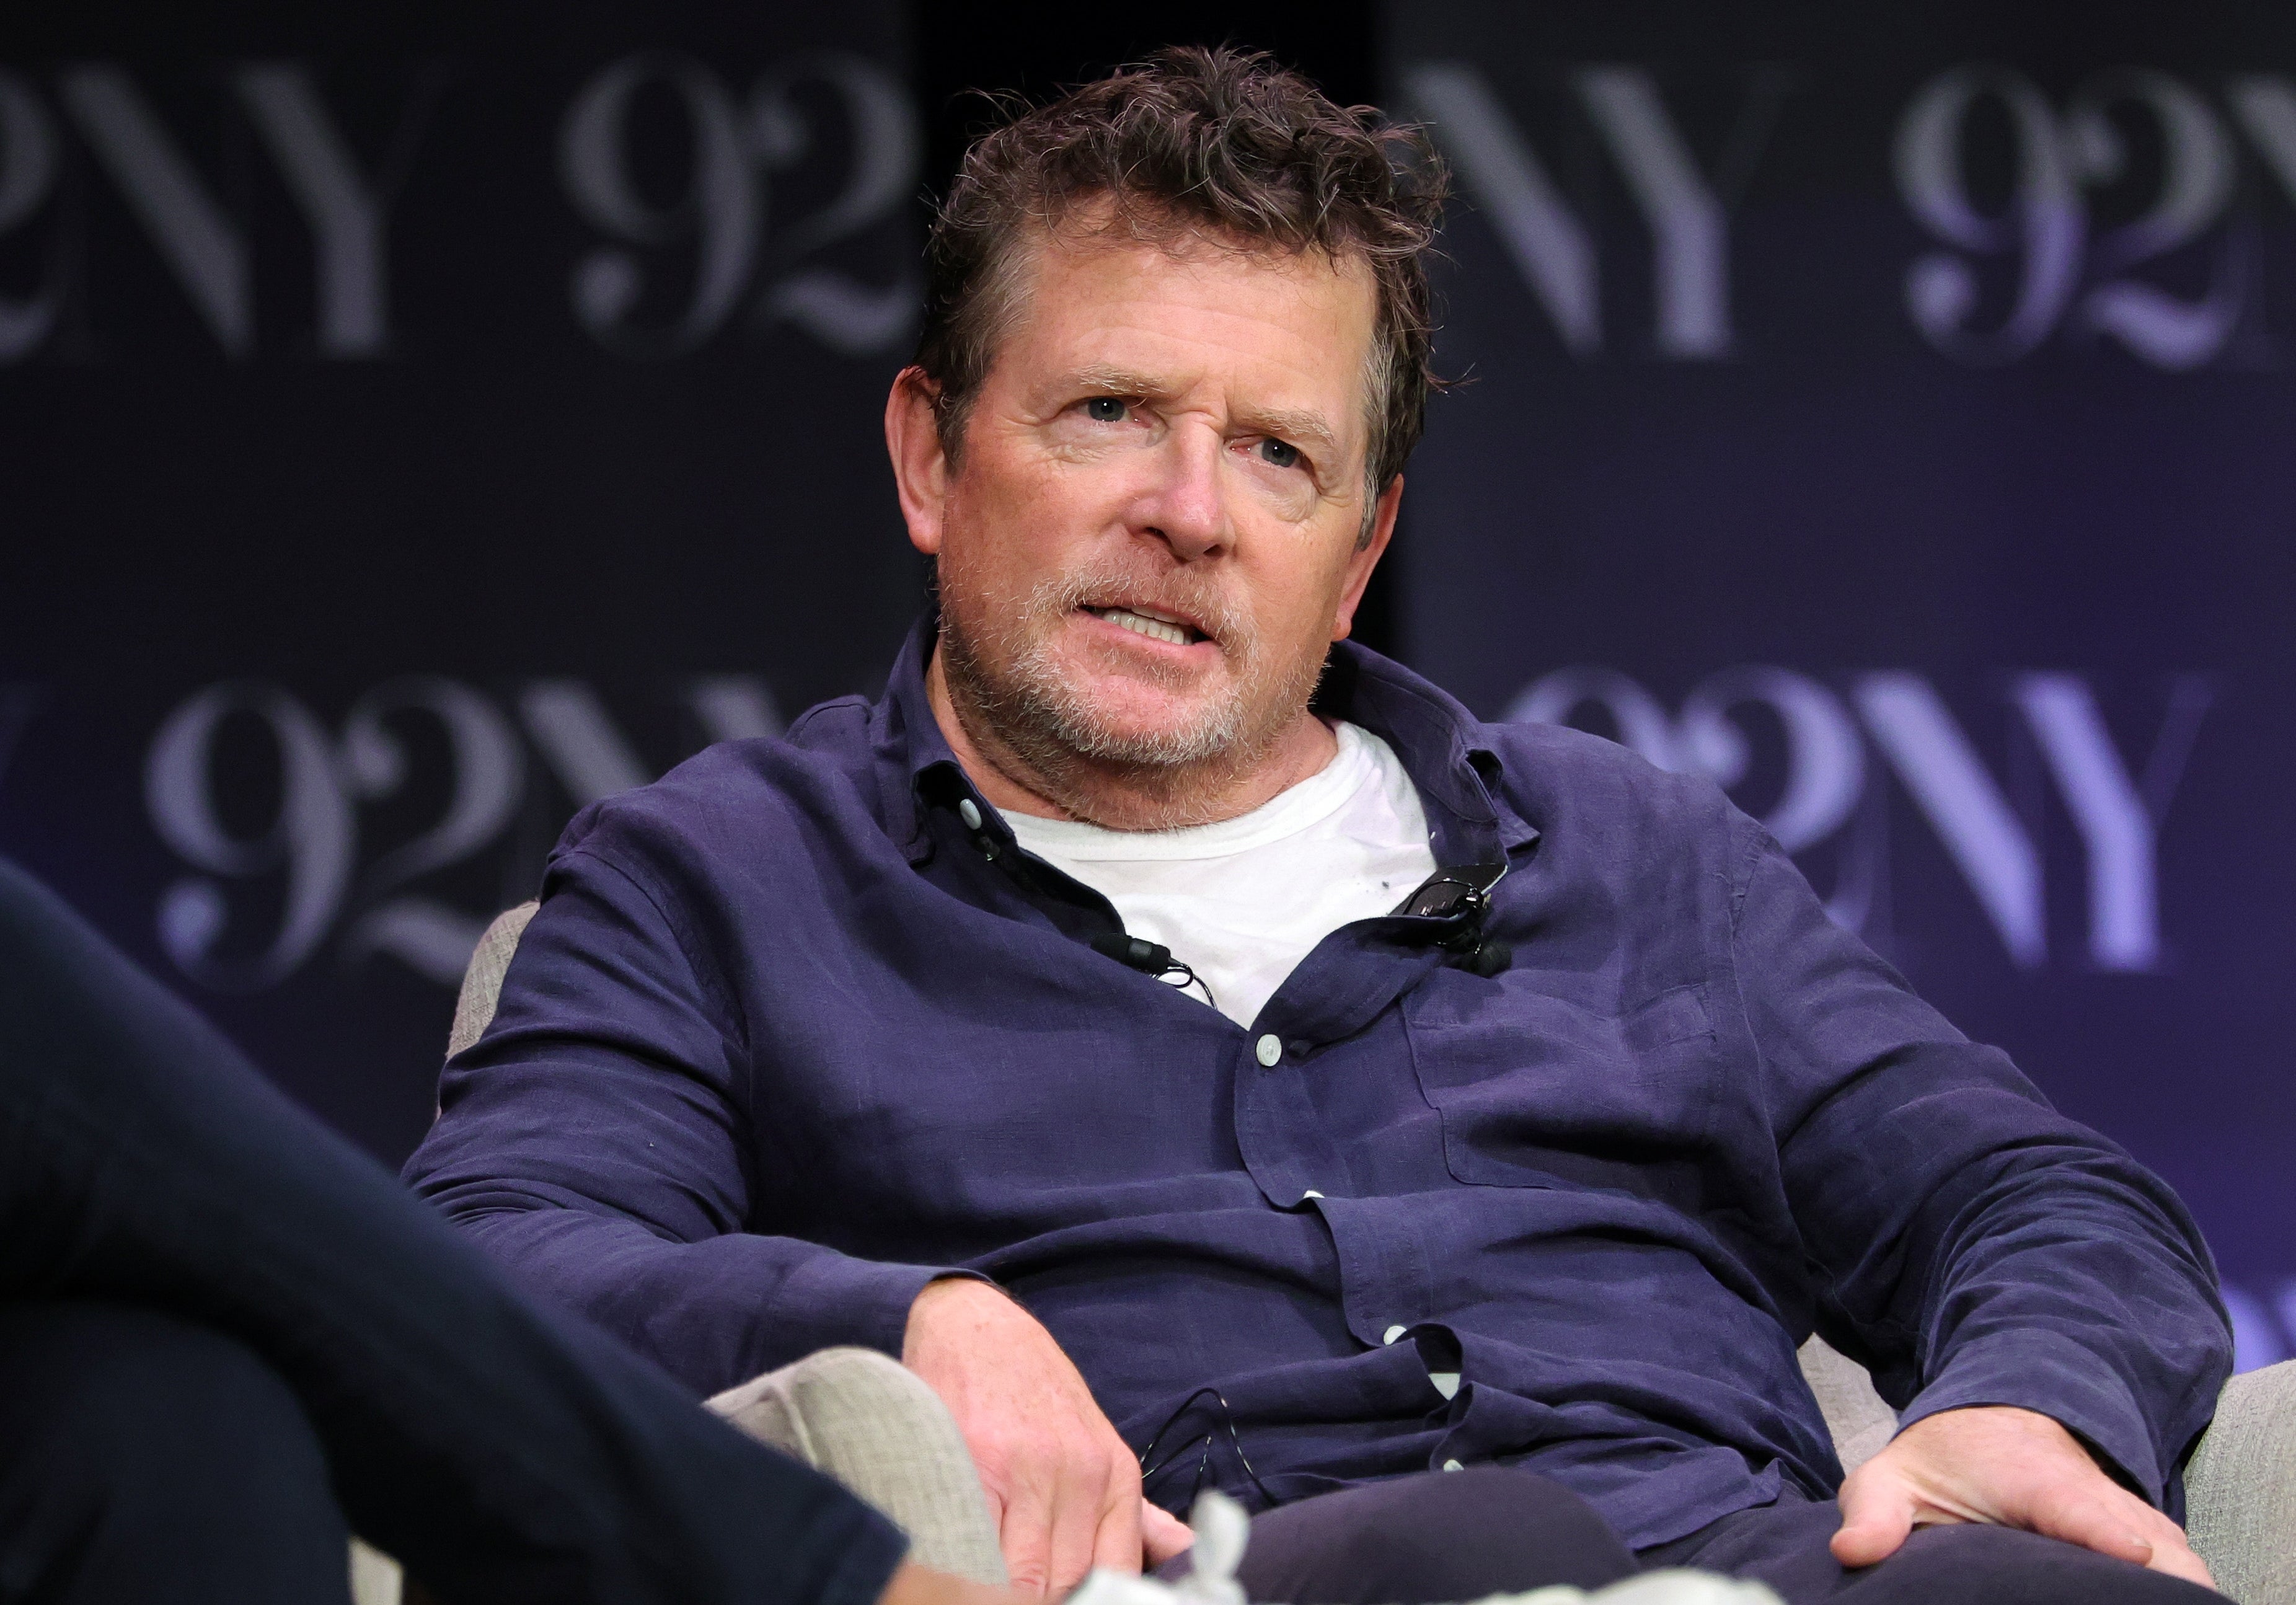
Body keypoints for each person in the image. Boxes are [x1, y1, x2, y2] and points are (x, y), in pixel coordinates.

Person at [404, 46, 2233, 1605]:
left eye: (1278, 453)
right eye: (1111, 412)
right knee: (1451, 1549)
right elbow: (479, 1266)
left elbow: (2037, 1191)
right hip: (1251, 1572)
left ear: (1358, 552)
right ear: (931, 459)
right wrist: (903, 1321)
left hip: (1735, 1565)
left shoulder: (1637, 854)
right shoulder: (719, 880)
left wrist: (2035, 1395)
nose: (1190, 511)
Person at [0, 854, 1016, 1605]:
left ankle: (817, 1577)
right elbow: (510, 1232)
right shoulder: (711, 877)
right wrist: (906, 1314)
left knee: (168, 1421)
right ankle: (821, 1580)